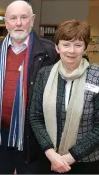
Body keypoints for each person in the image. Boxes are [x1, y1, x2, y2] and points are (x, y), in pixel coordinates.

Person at [0, 0, 59, 174]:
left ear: (32, 20)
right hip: (0, 135)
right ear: (6, 22)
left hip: (33, 137)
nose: (18, 23)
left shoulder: (49, 53)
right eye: (13, 18)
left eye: (23, 17)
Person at [29, 20, 99, 174]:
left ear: (85, 47)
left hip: (86, 162)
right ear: (57, 47)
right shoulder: (44, 74)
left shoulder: (96, 76)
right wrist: (51, 153)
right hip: (48, 159)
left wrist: (71, 157)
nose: (71, 51)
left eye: (78, 45)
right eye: (66, 44)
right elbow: (35, 116)